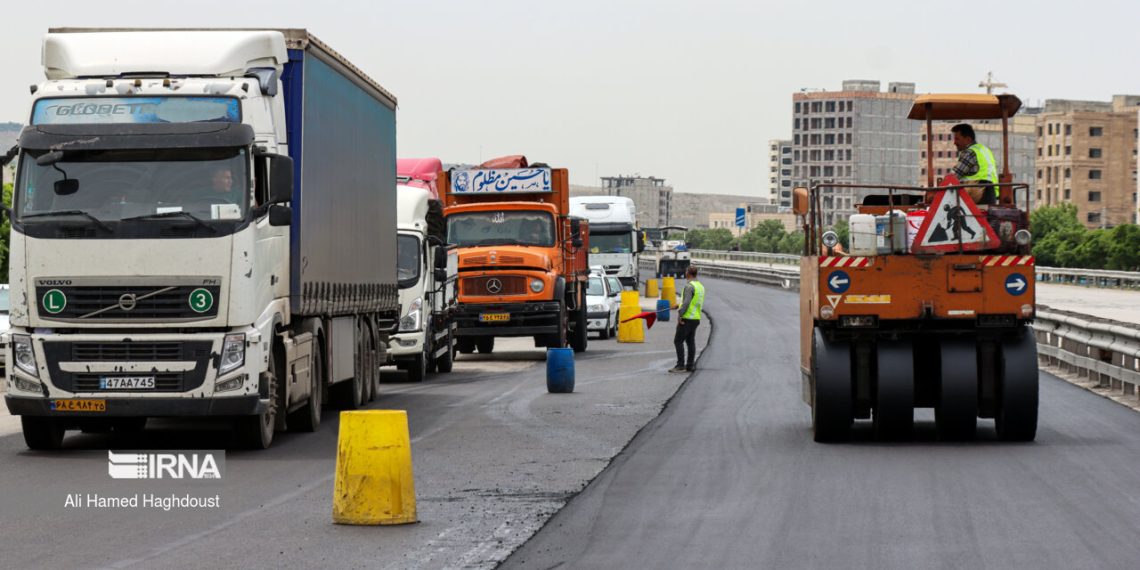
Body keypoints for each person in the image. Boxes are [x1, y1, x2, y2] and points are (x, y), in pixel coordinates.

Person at [950, 123, 999, 205]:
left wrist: (938, 189)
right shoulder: (984, 150)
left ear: (968, 139)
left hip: (977, 195)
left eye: (957, 139)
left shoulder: (969, 152)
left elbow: (954, 176)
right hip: (991, 195)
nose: (954, 142)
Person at [669, 266, 705, 373]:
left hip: (687, 318)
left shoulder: (689, 287)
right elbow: (692, 301)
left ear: (688, 273)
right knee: (690, 341)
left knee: (678, 341)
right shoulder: (700, 286)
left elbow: (687, 303)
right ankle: (690, 366)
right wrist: (678, 305)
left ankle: (680, 365)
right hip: (696, 318)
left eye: (686, 271)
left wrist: (680, 314)